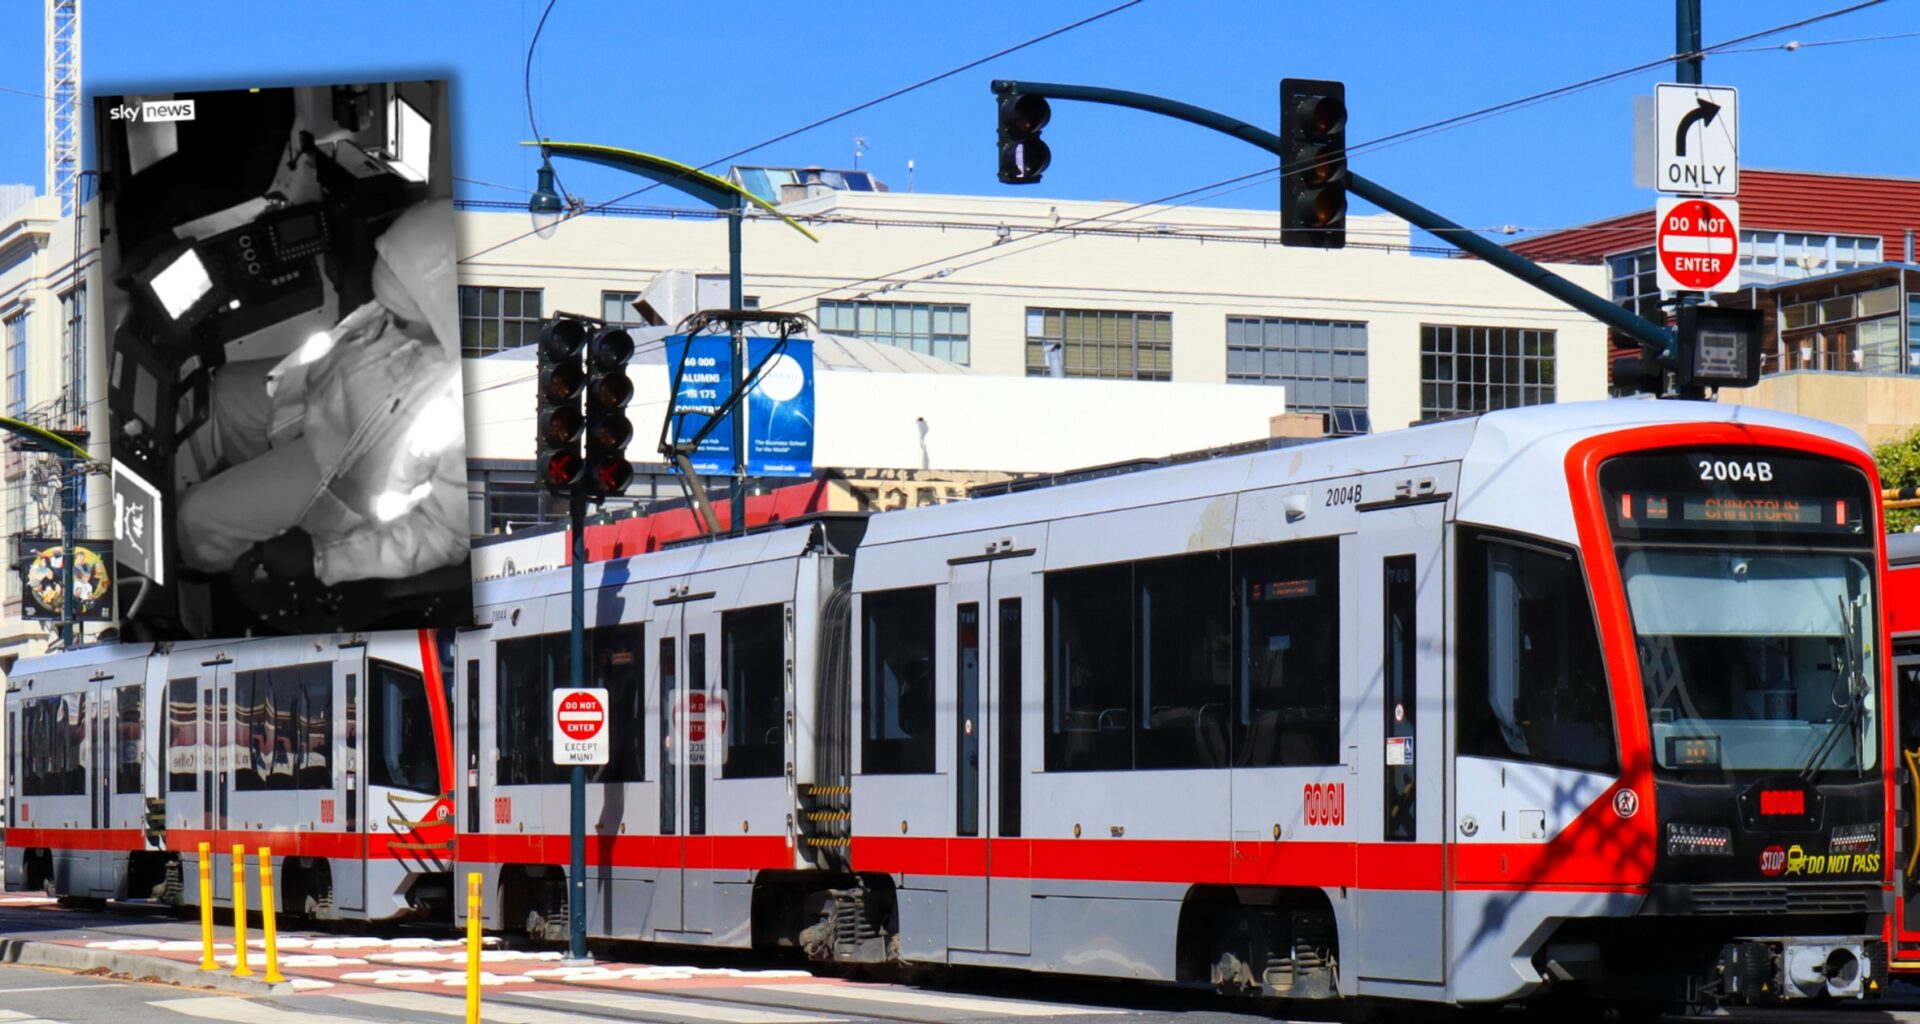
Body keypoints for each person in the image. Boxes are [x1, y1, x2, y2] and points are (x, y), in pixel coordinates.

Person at [177, 198, 468, 588]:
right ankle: (252, 499)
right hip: (326, 402)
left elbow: (443, 534)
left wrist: (321, 557)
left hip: (352, 476)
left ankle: (206, 568)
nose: (388, 320)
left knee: (198, 516)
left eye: (400, 318)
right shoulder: (419, 304)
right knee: (225, 389)